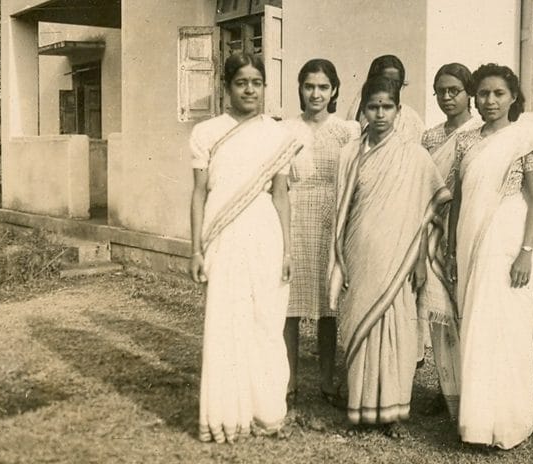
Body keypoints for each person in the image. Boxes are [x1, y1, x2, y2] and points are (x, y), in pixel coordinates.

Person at [446, 63, 533, 449]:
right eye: (482, 94)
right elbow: (458, 202)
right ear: (474, 98)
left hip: (509, 242)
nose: (489, 101)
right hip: (469, 242)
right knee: (476, 326)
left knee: (507, 329)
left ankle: (509, 424)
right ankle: (477, 425)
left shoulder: (525, 140)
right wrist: (450, 250)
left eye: (498, 93)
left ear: (513, 97)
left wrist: (526, 253)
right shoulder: (466, 142)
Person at [189, 52, 302, 443]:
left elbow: (282, 197)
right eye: (241, 82)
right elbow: (199, 194)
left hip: (265, 235)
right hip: (223, 237)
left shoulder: (276, 134)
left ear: (265, 87)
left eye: (257, 82)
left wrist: (288, 250)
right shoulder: (207, 132)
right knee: (226, 322)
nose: (249, 89)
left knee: (266, 321)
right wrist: (196, 250)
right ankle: (226, 417)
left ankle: (266, 411)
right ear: (227, 87)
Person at [330, 76, 450, 438]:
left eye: (387, 106)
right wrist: (340, 258)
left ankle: (393, 415)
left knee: (397, 330)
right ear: (363, 110)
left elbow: (430, 211)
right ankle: (360, 409)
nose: (380, 113)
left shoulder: (415, 155)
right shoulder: (349, 152)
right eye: (373, 106)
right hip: (360, 251)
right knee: (358, 326)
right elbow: (341, 210)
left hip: (400, 257)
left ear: (399, 110)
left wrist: (418, 260)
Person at [282, 59, 360, 408]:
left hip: (333, 218)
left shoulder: (347, 130)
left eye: (323, 87)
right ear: (300, 89)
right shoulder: (285, 129)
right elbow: (278, 184)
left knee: (329, 307)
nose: (316, 93)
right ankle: (289, 380)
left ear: (334, 91)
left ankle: (328, 381)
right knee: (290, 305)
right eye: (309, 86)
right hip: (294, 217)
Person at [419, 63, 482, 420]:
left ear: (468, 92)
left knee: (465, 311)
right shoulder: (429, 137)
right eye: (440, 91)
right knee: (439, 312)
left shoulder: (479, 133)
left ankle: (472, 390)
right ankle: (448, 391)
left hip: (469, 227)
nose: (446, 97)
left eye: (453, 90)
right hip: (435, 230)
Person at [345, 55, 425, 144]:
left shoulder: (412, 119)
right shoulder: (359, 113)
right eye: (385, 80)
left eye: (396, 83)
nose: (390, 86)